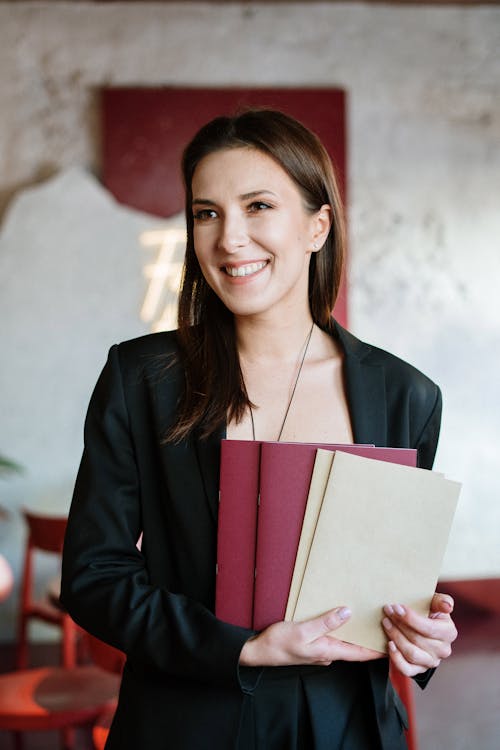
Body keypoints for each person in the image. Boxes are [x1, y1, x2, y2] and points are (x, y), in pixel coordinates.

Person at [61, 109, 457, 750]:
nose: (230, 239)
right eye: (206, 212)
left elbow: (395, 588)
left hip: (344, 726)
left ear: (317, 225)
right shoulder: (141, 377)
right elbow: (94, 577)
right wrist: (240, 649)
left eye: (259, 206)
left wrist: (422, 636)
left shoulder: (406, 396)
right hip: (183, 723)